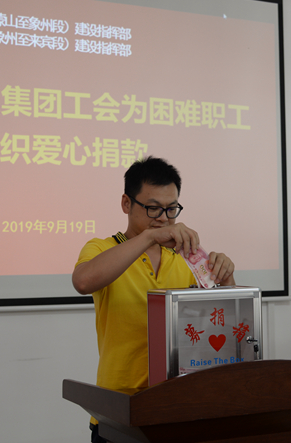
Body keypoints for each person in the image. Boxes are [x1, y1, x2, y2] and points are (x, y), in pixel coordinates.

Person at [72, 156, 235, 443]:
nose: (163, 218)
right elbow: (83, 281)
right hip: (120, 412)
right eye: (153, 208)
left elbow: (219, 326)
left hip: (178, 408)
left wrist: (226, 279)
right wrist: (150, 238)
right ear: (126, 203)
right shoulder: (102, 248)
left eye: (171, 209)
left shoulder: (189, 260)